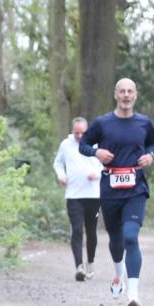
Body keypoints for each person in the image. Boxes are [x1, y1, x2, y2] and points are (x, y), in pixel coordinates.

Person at [79, 78, 154, 306]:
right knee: (116, 241)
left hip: (136, 189)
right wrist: (96, 152)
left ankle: (133, 294)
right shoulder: (103, 123)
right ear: (115, 94)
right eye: (122, 91)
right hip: (110, 190)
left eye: (130, 91)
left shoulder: (144, 123)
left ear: (135, 95)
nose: (126, 95)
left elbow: (152, 144)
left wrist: (150, 156)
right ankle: (118, 275)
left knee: (131, 237)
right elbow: (83, 145)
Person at [53, 117, 103, 281]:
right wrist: (61, 175)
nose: (80, 136)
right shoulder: (66, 144)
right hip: (73, 195)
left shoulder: (96, 144)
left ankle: (90, 262)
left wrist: (97, 174)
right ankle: (79, 267)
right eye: (77, 133)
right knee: (76, 230)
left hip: (93, 195)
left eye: (83, 133)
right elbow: (58, 163)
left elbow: (106, 164)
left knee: (91, 231)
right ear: (72, 131)